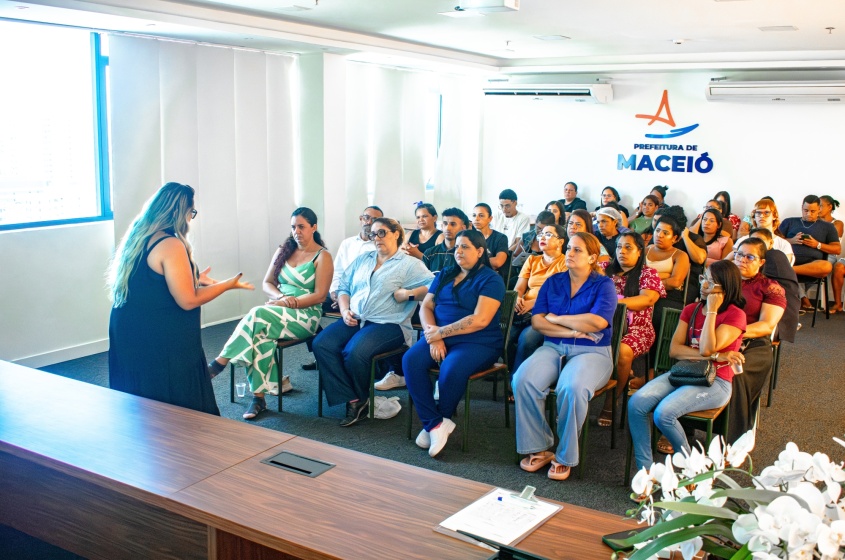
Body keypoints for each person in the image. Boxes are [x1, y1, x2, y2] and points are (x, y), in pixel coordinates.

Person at [107, 182, 254, 415]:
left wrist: (192, 277)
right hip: (157, 334)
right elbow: (188, 300)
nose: (190, 218)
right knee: (175, 395)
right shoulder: (170, 244)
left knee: (141, 404)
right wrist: (228, 284)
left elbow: (150, 283)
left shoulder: (138, 237)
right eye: (191, 212)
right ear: (180, 212)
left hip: (129, 328)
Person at [208, 207, 333, 419]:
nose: (296, 231)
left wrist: (290, 303)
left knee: (257, 313)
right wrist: (280, 298)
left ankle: (220, 362)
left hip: (305, 315)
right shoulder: (284, 249)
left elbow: (320, 296)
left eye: (301, 227)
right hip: (278, 309)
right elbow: (267, 283)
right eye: (293, 227)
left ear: (314, 227)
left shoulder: (323, 256)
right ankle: (258, 399)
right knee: (259, 336)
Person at [512, 232, 617, 481]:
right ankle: (539, 446)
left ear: (592, 257)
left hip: (592, 350)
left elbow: (597, 322)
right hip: (554, 345)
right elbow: (538, 322)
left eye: (577, 250)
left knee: (572, 388)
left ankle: (565, 455)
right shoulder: (553, 281)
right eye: (569, 248)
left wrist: (557, 318)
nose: (570, 253)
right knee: (522, 380)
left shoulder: (604, 285)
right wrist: (571, 330)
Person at [313, 218, 434, 427]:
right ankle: (354, 398)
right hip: (357, 317)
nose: (376, 238)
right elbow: (343, 287)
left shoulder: (409, 264)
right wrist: (344, 310)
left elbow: (434, 285)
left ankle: (360, 399)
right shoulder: (363, 259)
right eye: (372, 234)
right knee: (321, 344)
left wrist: (409, 293)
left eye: (382, 233)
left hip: (389, 324)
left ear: (396, 234)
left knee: (354, 352)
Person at [628, 260, 746, 471]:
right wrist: (718, 355)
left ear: (726, 289)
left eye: (711, 283)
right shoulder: (691, 309)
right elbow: (675, 350)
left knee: (664, 414)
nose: (703, 285)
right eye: (703, 279)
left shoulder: (735, 315)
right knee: (636, 403)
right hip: (684, 372)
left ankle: (692, 468)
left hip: (716, 382)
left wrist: (712, 312)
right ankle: (645, 471)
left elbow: (706, 348)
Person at [403, 230, 506, 457]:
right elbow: (426, 306)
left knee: (450, 368)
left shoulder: (491, 279)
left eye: (465, 247)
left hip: (478, 342)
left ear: (480, 251)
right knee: (411, 360)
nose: (458, 251)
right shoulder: (446, 273)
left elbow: (480, 319)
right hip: (439, 337)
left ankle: (439, 419)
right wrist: (434, 335)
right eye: (457, 246)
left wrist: (440, 333)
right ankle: (434, 424)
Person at [301, 205, 383, 372]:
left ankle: (337, 353)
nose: (369, 222)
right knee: (307, 303)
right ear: (361, 219)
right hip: (340, 292)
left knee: (354, 314)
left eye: (375, 219)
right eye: (367, 217)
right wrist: (334, 292)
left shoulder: (379, 246)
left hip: (361, 297)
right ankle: (321, 354)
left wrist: (345, 298)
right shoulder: (347, 243)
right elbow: (337, 271)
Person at [597, 231, 666, 427]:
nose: (622, 251)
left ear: (639, 251)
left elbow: (647, 299)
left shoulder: (648, 273)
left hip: (637, 330)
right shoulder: (604, 269)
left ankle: (611, 402)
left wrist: (612, 303)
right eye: (619, 247)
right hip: (602, 326)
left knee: (622, 352)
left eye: (628, 247)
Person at [727, 237, 786, 442]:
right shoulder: (723, 280)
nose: (742, 260)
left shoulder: (770, 287)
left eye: (749, 257)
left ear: (761, 262)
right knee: (692, 366)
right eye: (739, 254)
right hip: (718, 340)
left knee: (736, 374)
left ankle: (734, 442)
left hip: (754, 343)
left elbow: (767, 325)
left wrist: (732, 333)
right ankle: (685, 428)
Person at [509, 223, 569, 373]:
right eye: (541, 234)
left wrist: (533, 303)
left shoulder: (565, 263)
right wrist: (518, 299)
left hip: (547, 313)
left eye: (548, 235)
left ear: (560, 241)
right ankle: (507, 372)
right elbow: (519, 288)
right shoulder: (532, 260)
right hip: (523, 310)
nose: (542, 238)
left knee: (527, 339)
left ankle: (516, 379)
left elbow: (560, 295)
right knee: (503, 335)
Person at [777, 195, 841, 310]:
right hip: (790, 259)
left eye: (813, 211)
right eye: (805, 210)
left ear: (819, 209)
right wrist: (791, 240)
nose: (808, 214)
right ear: (802, 207)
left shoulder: (828, 227)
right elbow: (774, 241)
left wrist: (817, 244)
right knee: (772, 260)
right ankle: (789, 270)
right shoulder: (789, 222)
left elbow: (837, 249)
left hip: (812, 265)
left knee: (826, 266)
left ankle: (788, 270)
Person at [646, 215, 691, 352]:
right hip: (644, 292)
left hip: (669, 296)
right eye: (657, 230)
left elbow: (675, 282)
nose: (659, 235)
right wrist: (665, 275)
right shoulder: (646, 250)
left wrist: (649, 278)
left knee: (657, 315)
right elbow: (637, 274)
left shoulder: (680, 255)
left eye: (665, 233)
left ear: (675, 238)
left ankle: (656, 359)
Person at [729, 198, 794, 265]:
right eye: (758, 213)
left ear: (774, 216)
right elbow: (728, 263)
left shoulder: (784, 244)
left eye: (766, 213)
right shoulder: (743, 240)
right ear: (754, 216)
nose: (762, 216)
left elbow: (784, 268)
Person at [422, 208, 470, 273]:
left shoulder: (467, 254)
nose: (448, 228)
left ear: (463, 228)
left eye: (453, 224)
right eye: (445, 223)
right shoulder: (429, 253)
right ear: (442, 226)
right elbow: (422, 278)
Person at [819, 195, 844, 313]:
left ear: (829, 207)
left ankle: (837, 304)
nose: (818, 209)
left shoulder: (838, 223)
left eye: (820, 206)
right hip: (813, 253)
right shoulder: (813, 222)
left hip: (829, 255)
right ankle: (804, 299)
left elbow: (831, 241)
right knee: (790, 264)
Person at [472, 203, 509, 278]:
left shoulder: (500, 238)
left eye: (481, 215)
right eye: (474, 215)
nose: (476, 219)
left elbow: (497, 262)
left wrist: (471, 262)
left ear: (490, 218)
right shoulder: (468, 237)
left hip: (492, 278)